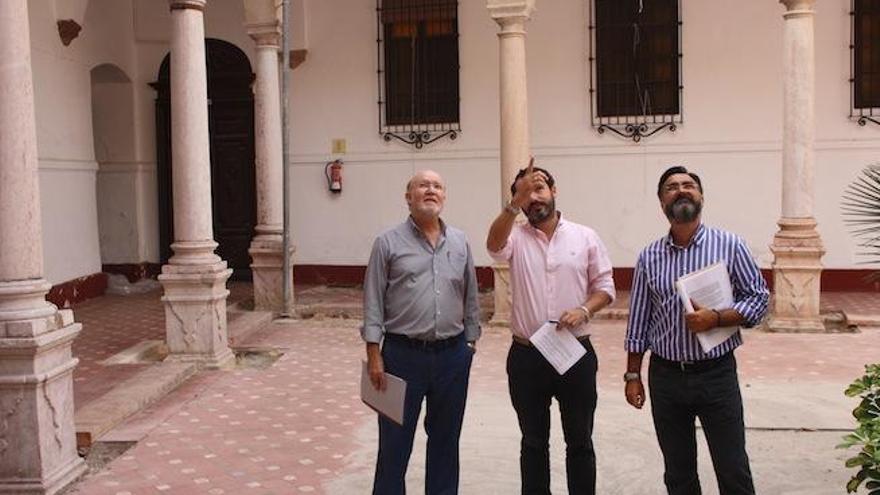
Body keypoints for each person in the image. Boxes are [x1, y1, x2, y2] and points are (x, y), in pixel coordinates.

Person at [624, 165, 770, 495]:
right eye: (671, 187)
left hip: (716, 374)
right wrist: (633, 375)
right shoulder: (649, 256)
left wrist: (717, 318)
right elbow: (639, 321)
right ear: (662, 203)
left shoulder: (730, 245)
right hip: (666, 377)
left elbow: (759, 299)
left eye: (689, 185)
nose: (681, 190)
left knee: (732, 468)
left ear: (701, 196)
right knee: (678, 473)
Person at [486, 160, 615, 495]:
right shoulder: (514, 237)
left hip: (574, 353)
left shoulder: (585, 236)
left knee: (580, 442)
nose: (534, 197)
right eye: (525, 193)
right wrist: (513, 203)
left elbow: (605, 288)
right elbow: (493, 247)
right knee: (532, 442)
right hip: (527, 356)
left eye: (539, 188)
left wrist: (585, 309)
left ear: (554, 192)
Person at [361, 169, 481, 495]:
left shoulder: (459, 241)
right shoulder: (387, 243)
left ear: (444, 196)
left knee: (445, 441)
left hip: (452, 356)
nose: (430, 190)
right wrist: (374, 354)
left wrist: (469, 344)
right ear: (408, 197)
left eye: (437, 186)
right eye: (422, 185)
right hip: (400, 357)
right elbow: (372, 301)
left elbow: (470, 295)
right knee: (394, 444)